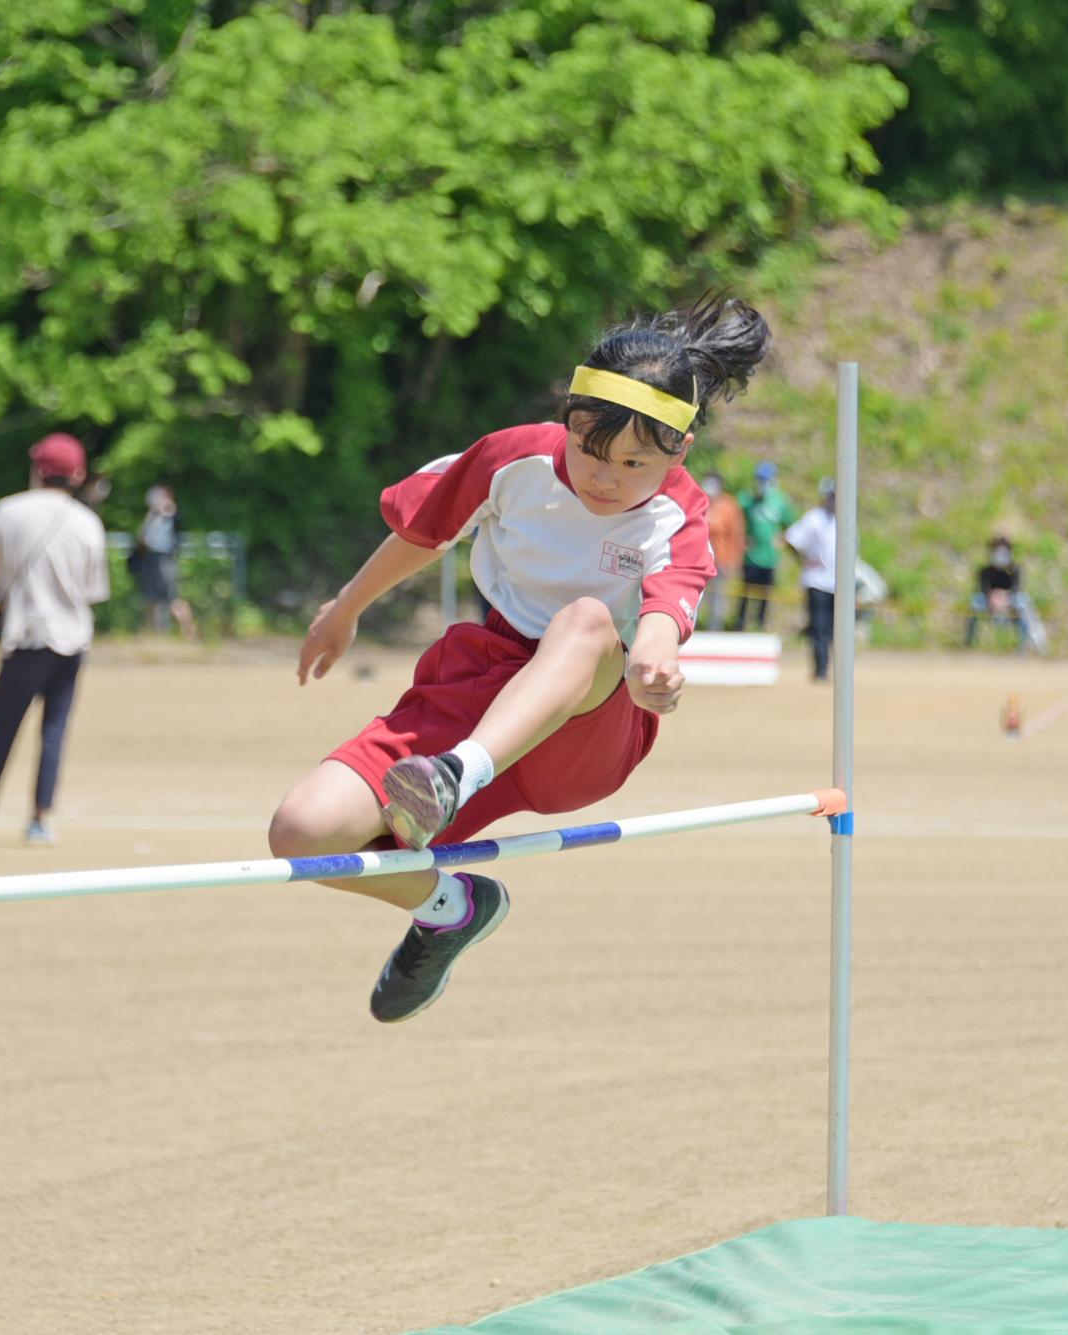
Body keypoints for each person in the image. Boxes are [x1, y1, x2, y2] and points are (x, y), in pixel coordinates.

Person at [266, 296, 765, 1023]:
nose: (606, 478)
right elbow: (426, 529)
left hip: (588, 718)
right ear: (567, 422)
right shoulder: (513, 457)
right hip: (481, 680)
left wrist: (654, 665)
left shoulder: (680, 514)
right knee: (301, 831)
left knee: (587, 620)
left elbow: (664, 613)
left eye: (634, 464)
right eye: (591, 451)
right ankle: (452, 907)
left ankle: (453, 778)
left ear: (678, 453)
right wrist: (345, 607)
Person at [0, 433, 109, 845]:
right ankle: (40, 817)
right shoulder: (88, 523)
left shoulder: (7, 512)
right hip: (71, 640)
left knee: (1, 729)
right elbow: (93, 590)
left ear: (37, 470)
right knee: (54, 729)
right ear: (79, 474)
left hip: (25, 635)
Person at [784, 479, 839, 681]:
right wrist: (803, 560)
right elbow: (791, 539)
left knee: (834, 629)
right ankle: (821, 669)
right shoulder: (814, 518)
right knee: (819, 627)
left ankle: (831, 668)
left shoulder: (843, 520)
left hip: (837, 584)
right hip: (816, 582)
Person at [730, 460, 792, 631]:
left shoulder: (780, 501)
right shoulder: (747, 500)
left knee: (766, 594)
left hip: (770, 557)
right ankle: (740, 623)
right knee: (745, 591)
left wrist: (783, 538)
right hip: (751, 556)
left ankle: (760, 623)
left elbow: (790, 524)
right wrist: (741, 539)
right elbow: (734, 519)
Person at [133, 485, 199, 640]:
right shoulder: (153, 515)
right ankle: (151, 634)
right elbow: (142, 537)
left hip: (164, 559)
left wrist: (158, 509)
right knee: (150, 599)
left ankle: (190, 633)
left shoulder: (169, 512)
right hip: (152, 559)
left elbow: (169, 519)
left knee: (172, 598)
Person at [965, 536, 1048, 654]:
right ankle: (969, 642)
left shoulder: (1015, 570)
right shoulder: (985, 571)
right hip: (989, 601)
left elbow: (1017, 589)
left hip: (1010, 600)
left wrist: (1005, 598)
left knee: (1023, 602)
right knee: (975, 602)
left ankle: (1032, 645)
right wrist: (992, 598)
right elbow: (982, 589)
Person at [700, 471, 745, 632]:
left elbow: (736, 536)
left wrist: (732, 562)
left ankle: (714, 629)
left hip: (720, 562)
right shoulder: (699, 502)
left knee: (717, 599)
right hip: (698, 560)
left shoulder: (728, 507)